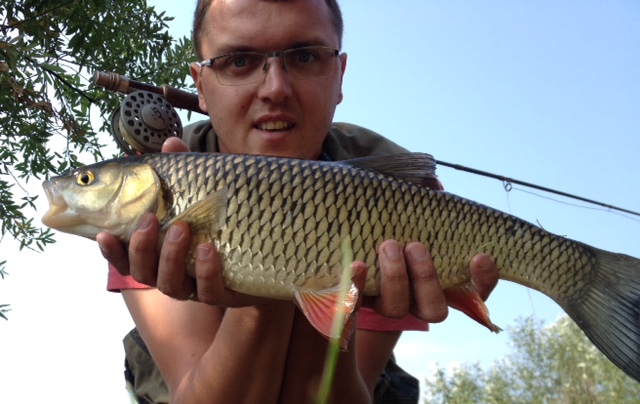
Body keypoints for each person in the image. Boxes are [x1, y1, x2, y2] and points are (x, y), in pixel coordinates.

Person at [97, 0, 500, 402]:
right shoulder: (161, 181)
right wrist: (267, 287)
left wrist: (298, 273)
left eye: (305, 56)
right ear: (201, 86)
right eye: (239, 61)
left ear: (339, 76)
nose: (275, 88)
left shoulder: (390, 187)